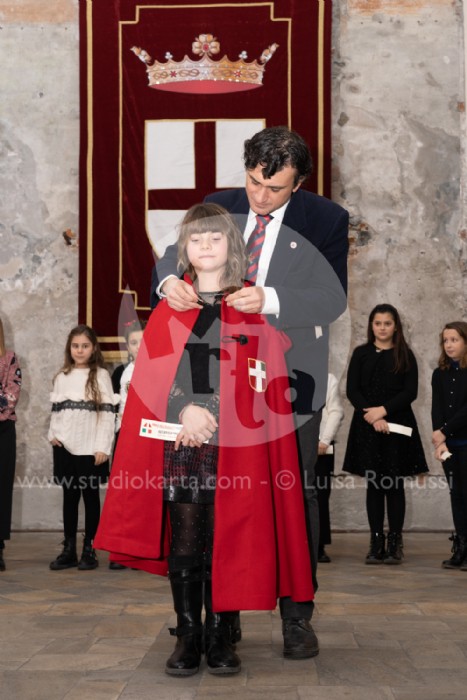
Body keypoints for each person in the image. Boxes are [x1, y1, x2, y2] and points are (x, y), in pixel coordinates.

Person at [150, 125, 349, 659]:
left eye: (275, 188)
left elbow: (332, 298)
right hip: (217, 379)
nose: (260, 197)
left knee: (293, 492)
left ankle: (297, 616)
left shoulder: (326, 220)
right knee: (221, 494)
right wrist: (167, 282)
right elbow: (172, 254)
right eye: (254, 182)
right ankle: (223, 616)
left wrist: (271, 298)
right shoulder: (221, 204)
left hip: (289, 382)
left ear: (299, 183)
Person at [95, 203, 314, 676]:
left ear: (231, 246)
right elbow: (152, 380)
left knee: (226, 537)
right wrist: (185, 410)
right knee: (188, 535)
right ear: (185, 249)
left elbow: (262, 382)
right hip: (182, 442)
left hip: (236, 446)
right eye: (197, 239)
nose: (206, 246)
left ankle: (219, 635)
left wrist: (216, 413)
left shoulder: (250, 308)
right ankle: (187, 633)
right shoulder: (170, 308)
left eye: (216, 238)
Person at [343, 304, 428, 564]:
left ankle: (395, 542)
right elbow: (352, 390)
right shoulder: (361, 354)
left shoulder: (405, 354)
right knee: (374, 485)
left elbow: (410, 392)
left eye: (387, 323)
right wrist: (373, 416)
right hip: (368, 425)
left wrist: (383, 411)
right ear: (371, 326)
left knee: (394, 484)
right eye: (377, 323)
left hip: (397, 425)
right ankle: (376, 541)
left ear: (395, 326)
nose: (382, 328)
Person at [48, 325, 119, 571]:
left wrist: (103, 447)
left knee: (90, 497)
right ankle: (69, 549)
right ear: (70, 348)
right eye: (75, 346)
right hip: (64, 446)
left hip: (90, 449)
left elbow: (108, 415)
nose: (80, 350)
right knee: (69, 497)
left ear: (93, 348)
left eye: (85, 346)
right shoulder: (62, 376)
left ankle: (90, 548)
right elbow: (56, 410)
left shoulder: (101, 375)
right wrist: (53, 434)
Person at [432, 321, 467, 570]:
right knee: (456, 494)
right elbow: (437, 407)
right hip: (448, 446)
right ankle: (461, 545)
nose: (449, 345)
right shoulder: (439, 373)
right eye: (446, 340)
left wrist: (444, 431)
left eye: (454, 340)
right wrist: (440, 438)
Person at [0, 317, 22, 571]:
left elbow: (11, 393)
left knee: (1, 489)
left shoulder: (9, 358)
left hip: (3, 429)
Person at [316, 373, 344, 563]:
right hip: (293, 445)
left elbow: (336, 411)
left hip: (321, 446)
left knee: (320, 496)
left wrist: (324, 440)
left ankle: (318, 545)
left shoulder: (328, 379)